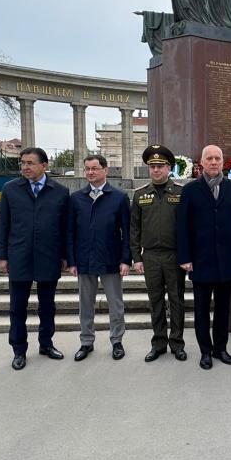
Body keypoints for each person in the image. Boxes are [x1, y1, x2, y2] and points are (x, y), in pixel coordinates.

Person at [0, 146, 69, 370]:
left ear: (44, 166)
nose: (25, 167)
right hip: (19, 256)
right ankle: (19, 350)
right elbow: (3, 224)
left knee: (47, 306)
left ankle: (46, 344)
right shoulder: (11, 189)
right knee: (17, 307)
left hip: (49, 256)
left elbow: (64, 228)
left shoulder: (60, 191)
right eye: (23, 163)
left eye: (30, 163)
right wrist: (1, 255)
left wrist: (65, 255)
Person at [177, 144, 231, 370]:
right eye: (210, 158)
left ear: (223, 162)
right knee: (201, 310)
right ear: (202, 162)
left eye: (217, 158)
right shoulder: (189, 191)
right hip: (200, 261)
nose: (214, 162)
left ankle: (221, 349)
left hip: (227, 260)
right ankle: (205, 352)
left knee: (223, 308)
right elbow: (182, 227)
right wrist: (185, 257)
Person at [66, 154, 131, 362]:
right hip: (84, 260)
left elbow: (127, 232)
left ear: (105, 170)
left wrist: (125, 259)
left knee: (116, 305)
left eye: (94, 168)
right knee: (85, 304)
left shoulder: (119, 197)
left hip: (110, 259)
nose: (90, 173)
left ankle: (117, 341)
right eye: (87, 169)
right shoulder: (76, 198)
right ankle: (86, 342)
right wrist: (72, 261)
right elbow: (70, 232)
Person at [130, 144, 188, 363]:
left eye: (160, 166)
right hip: (151, 256)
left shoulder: (181, 193)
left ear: (169, 168)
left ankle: (177, 343)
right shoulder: (140, 195)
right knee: (155, 300)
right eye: (152, 166)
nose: (156, 170)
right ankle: (159, 343)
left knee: (176, 300)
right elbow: (134, 229)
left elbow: (187, 227)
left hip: (175, 256)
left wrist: (186, 256)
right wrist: (136, 257)